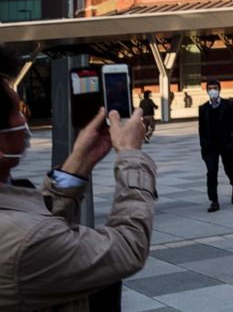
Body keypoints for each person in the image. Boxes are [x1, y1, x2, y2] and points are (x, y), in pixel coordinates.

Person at [0, 45, 156, 310]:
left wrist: (78, 163)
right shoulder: (25, 242)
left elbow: (36, 224)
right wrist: (131, 158)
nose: (24, 118)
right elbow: (127, 247)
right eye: (17, 110)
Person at [197, 80, 233, 212]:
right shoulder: (203, 108)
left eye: (215, 88)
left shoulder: (229, 105)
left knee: (229, 169)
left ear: (219, 89)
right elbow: (201, 129)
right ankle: (214, 200)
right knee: (211, 172)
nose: (213, 91)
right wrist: (203, 144)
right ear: (207, 91)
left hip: (227, 144)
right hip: (210, 147)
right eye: (210, 88)